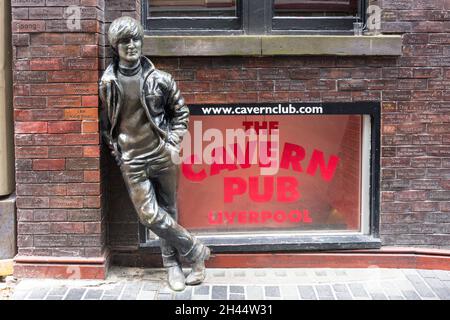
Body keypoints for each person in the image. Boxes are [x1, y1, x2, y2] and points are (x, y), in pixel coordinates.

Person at [99, 16, 210, 291]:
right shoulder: (108, 83)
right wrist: (119, 155)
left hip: (163, 155)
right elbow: (106, 126)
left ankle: (174, 266)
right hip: (133, 161)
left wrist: (172, 144)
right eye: (125, 41)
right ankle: (196, 251)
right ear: (115, 46)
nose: (132, 45)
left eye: (136, 39)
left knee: (168, 211)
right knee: (150, 215)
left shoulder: (160, 79)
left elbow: (181, 113)